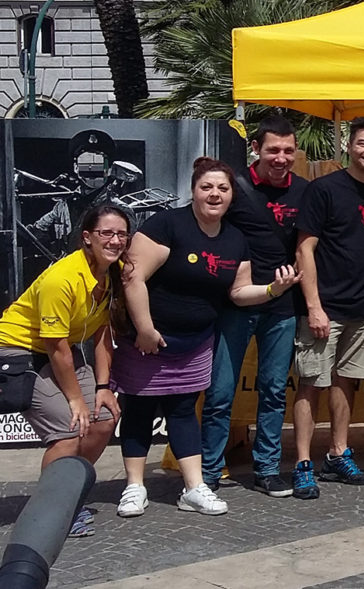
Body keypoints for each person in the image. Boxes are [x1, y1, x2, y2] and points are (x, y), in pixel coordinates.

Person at [115, 158, 299, 517]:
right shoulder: (167, 224)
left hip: (195, 342)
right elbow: (132, 279)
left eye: (223, 188)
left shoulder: (234, 239)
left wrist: (273, 290)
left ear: (232, 196)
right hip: (149, 340)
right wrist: (145, 329)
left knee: (184, 413)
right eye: (207, 187)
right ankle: (134, 487)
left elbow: (238, 293)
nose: (214, 194)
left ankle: (194, 488)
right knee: (138, 410)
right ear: (194, 190)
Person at [0, 204, 128, 536]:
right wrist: (76, 401)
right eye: (106, 233)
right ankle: (52, 512)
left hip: (60, 350)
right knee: (69, 429)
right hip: (19, 350)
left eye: (121, 234)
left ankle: (69, 493)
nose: (114, 241)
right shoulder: (63, 278)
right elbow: (56, 348)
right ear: (87, 237)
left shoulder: (113, 272)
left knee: (104, 419)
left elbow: (102, 333)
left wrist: (102, 387)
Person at [201, 116, 309, 496]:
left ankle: (266, 467)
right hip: (237, 303)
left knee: (274, 390)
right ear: (257, 150)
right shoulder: (236, 190)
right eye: (272, 150)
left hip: (281, 306)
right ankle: (209, 471)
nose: (281, 158)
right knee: (220, 392)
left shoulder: (306, 191)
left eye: (288, 151)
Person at [291, 117, 364, 499]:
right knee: (311, 382)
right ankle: (302, 463)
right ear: (350, 145)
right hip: (324, 307)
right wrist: (314, 306)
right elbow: (304, 249)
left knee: (346, 381)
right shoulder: (324, 189)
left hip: (362, 305)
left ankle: (338, 452)